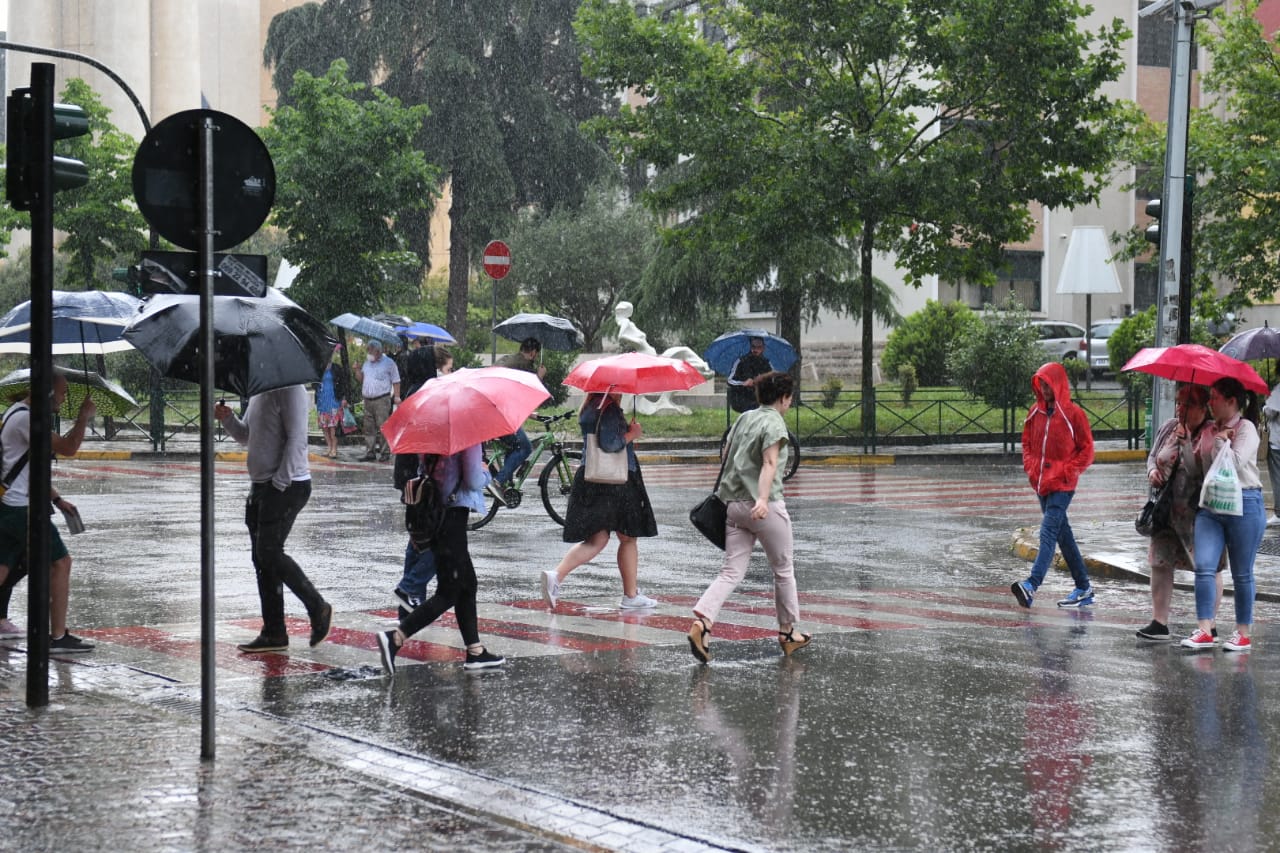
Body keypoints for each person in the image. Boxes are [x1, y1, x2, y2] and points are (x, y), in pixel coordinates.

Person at [687, 371, 811, 663]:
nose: (790, 403)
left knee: (730, 571)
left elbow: (726, 454)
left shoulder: (744, 418)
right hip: (762, 508)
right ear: (782, 398)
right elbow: (770, 463)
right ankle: (788, 631)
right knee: (782, 568)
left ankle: (702, 622)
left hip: (732, 507)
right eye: (789, 398)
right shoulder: (774, 422)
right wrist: (763, 499)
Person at [215, 385, 333, 653]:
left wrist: (279, 483)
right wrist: (227, 418)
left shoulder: (291, 390)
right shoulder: (259, 391)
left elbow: (297, 439)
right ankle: (274, 631)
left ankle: (317, 607)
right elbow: (247, 435)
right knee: (262, 559)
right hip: (260, 485)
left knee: (268, 552)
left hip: (286, 485)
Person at [375, 440, 505, 677]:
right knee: (449, 591)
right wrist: (486, 472)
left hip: (434, 513)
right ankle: (395, 637)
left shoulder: (432, 435)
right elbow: (474, 479)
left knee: (468, 584)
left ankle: (475, 651)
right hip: (452, 517)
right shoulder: (467, 437)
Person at [0, 374, 95, 652]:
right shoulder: (26, 419)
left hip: (10, 504)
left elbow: (28, 469)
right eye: (63, 394)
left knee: (3, 568)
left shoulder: (18, 414)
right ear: (49, 393)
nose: (64, 400)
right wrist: (83, 417)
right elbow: (69, 448)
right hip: (21, 509)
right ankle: (56, 637)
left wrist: (57, 499)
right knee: (61, 562)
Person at [541, 391, 659, 610]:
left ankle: (556, 576)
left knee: (597, 540)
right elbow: (611, 444)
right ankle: (630, 597)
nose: (623, 392)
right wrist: (632, 434)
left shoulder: (589, 407)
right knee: (628, 537)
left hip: (592, 477)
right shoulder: (609, 409)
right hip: (616, 481)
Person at [1181, 377, 1267, 652]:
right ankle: (1205, 629)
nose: (1210, 402)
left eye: (1215, 397)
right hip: (1211, 506)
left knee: (1242, 573)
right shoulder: (1209, 430)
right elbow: (1197, 471)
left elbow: (1234, 463)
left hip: (1245, 503)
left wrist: (1221, 442)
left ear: (1231, 401)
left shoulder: (1247, 429)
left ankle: (1243, 633)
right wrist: (1185, 444)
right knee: (1204, 566)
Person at [1140, 383, 1223, 640]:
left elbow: (1200, 469)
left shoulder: (1211, 433)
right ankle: (1159, 621)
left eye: (1187, 404)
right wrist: (1152, 471)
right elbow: (1153, 456)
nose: (1180, 408)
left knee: (1207, 566)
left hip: (1199, 513)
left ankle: (1209, 623)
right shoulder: (1168, 427)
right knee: (1160, 562)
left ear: (1203, 408)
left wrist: (1186, 443)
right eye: (1178, 402)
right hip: (1167, 512)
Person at [1012, 361, 1096, 609]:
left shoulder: (1074, 415)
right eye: (1041, 384)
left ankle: (1031, 585)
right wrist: (1030, 468)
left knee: (1047, 532)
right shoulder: (1034, 413)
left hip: (1063, 486)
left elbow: (1087, 450)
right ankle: (1083, 587)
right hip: (1041, 484)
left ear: (1058, 384)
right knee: (1063, 535)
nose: (1044, 388)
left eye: (1048, 384)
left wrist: (1068, 471)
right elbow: (1026, 443)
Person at [391, 345, 452, 617]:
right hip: (422, 478)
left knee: (418, 537)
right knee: (437, 541)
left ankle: (410, 601)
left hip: (410, 478)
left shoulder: (410, 391)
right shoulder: (425, 393)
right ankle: (410, 588)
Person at [491, 337, 546, 502]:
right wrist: (540, 376)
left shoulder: (509, 359)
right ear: (533, 353)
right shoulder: (523, 365)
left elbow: (512, 393)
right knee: (525, 447)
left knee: (514, 445)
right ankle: (498, 482)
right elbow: (529, 390)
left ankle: (506, 484)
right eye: (536, 355)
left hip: (493, 409)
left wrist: (529, 413)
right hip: (501, 413)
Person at [354, 339, 400, 462]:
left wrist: (397, 396)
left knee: (383, 426)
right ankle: (370, 452)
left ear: (378, 351)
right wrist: (357, 370)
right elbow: (361, 379)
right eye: (368, 350)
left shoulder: (389, 363)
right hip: (368, 400)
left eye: (370, 350)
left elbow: (396, 380)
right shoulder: (367, 363)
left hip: (382, 400)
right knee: (369, 427)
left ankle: (385, 452)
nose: (368, 353)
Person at [315, 346, 350, 459]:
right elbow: (313, 384)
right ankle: (329, 447)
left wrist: (344, 398)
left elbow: (343, 383)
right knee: (324, 426)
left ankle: (334, 448)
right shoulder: (318, 368)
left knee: (333, 426)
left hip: (334, 400)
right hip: (322, 400)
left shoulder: (336, 368)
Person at [726, 336, 775, 414]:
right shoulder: (741, 361)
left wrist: (761, 381)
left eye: (759, 347)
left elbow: (773, 382)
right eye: (753, 346)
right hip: (741, 398)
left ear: (763, 348)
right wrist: (743, 383)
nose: (755, 350)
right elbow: (730, 381)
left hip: (760, 399)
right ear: (750, 346)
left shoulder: (767, 363)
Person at [1262, 380, 1280, 526]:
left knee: (1277, 478)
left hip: (1278, 441)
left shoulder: (1278, 389)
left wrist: (1265, 404)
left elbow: (1270, 412)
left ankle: (1279, 513)